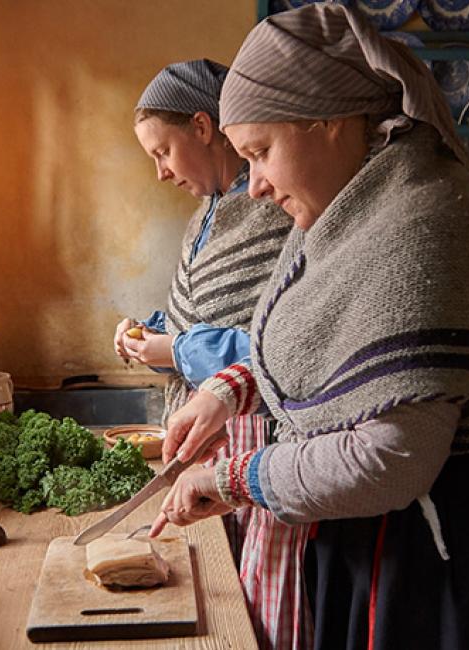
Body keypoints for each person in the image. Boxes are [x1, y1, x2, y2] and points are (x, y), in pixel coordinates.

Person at [149, 6, 469, 649]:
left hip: (450, 570)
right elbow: (312, 344)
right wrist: (227, 390)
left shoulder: (427, 222)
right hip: (380, 548)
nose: (252, 186)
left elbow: (391, 459)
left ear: (329, 120)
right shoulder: (348, 221)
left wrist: (235, 478)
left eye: (260, 151)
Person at [115, 59, 310, 650]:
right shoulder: (205, 215)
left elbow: (282, 340)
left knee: (256, 603)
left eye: (163, 152)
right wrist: (147, 332)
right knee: (227, 593)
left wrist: (172, 348)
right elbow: (201, 314)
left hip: (267, 439)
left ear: (203, 127)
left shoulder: (275, 208)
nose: (160, 172)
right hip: (211, 437)